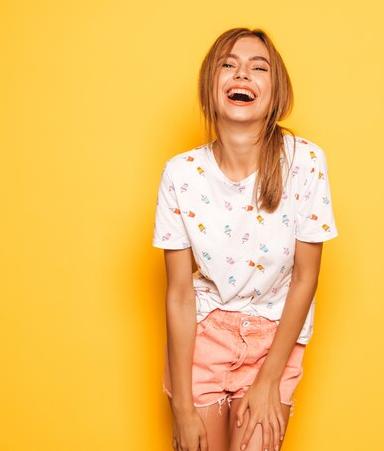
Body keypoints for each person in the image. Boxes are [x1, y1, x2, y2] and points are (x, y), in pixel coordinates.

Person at [152, 27, 339, 451]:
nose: (242, 74)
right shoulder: (180, 174)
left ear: (275, 94)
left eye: (259, 68)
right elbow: (180, 295)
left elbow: (305, 278)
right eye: (229, 65)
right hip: (203, 337)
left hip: (275, 340)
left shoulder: (305, 162)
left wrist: (269, 379)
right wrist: (182, 407)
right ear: (210, 85)